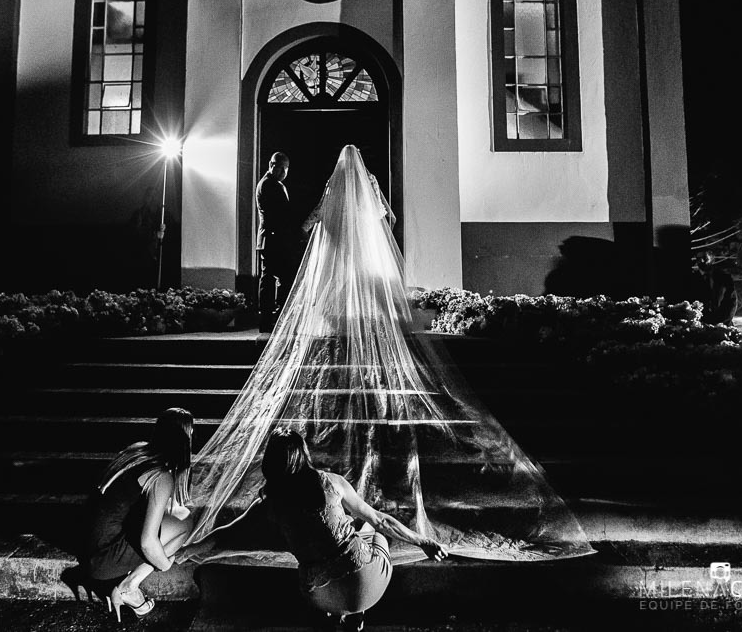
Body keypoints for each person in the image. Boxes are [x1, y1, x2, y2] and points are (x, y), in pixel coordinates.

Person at [183, 145, 593, 585]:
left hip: (344, 253)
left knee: (341, 295)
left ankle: (346, 336)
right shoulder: (369, 186)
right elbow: (387, 218)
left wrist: (313, 229)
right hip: (364, 251)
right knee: (364, 296)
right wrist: (376, 229)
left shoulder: (334, 188)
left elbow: (318, 218)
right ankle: (362, 340)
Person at [181, 429, 447, 631]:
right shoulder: (331, 482)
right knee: (371, 529)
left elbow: (225, 534)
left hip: (319, 596)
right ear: (304, 455)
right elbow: (382, 521)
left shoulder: (268, 504)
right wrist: (423, 541)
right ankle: (356, 613)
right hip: (368, 586)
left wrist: (185, 551)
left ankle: (336, 613)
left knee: (323, 547)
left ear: (271, 463)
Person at [71, 408, 195, 621]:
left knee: (173, 513)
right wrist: (164, 564)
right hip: (102, 560)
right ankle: (129, 586)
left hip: (86, 545)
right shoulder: (161, 476)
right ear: (184, 441)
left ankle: (121, 579)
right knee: (185, 521)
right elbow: (147, 542)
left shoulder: (137, 450)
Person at [257, 151, 298, 332]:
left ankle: (272, 318)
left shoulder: (274, 184)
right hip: (272, 238)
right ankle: (270, 319)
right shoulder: (269, 185)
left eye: (285, 168)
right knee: (272, 279)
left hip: (273, 238)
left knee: (274, 278)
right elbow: (281, 213)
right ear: (271, 165)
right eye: (280, 167)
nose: (283, 172)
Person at [692, 250, 738, 325]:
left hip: (723, 324)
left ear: (712, 259)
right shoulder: (692, 280)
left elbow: (731, 302)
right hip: (700, 325)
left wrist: (721, 322)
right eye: (699, 259)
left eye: (705, 258)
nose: (702, 261)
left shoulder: (724, 277)